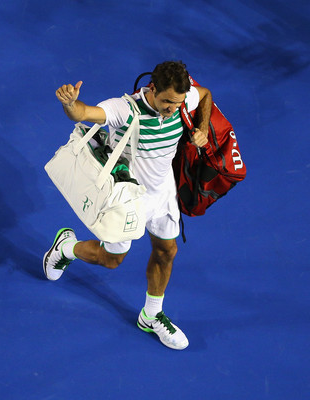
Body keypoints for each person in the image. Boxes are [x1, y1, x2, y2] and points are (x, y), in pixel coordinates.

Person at [43, 61, 212, 350]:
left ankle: (151, 315)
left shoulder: (183, 101)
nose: (173, 109)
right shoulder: (124, 109)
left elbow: (205, 94)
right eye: (167, 102)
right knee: (111, 260)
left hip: (162, 194)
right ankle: (65, 247)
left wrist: (202, 128)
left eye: (178, 103)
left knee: (167, 250)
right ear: (153, 89)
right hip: (126, 199)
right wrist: (70, 104)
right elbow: (84, 113)